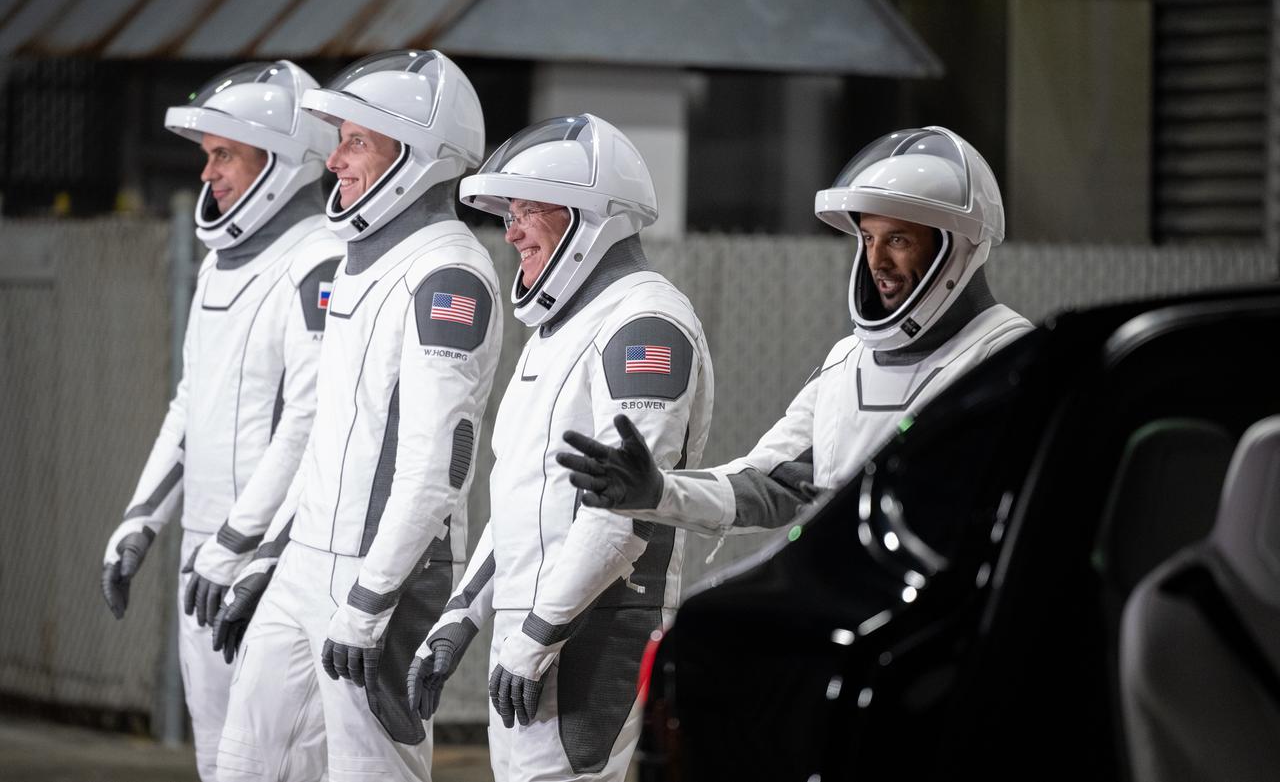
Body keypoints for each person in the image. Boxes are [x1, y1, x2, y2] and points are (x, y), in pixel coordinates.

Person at [209, 50, 502, 782]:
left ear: (419, 153)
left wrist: (372, 598)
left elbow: (439, 465)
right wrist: (275, 555)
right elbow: (328, 439)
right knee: (246, 763)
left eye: (355, 140)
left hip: (388, 572)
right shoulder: (355, 259)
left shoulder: (449, 272)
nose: (333, 158)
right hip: (308, 559)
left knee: (372, 772)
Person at [405, 114, 714, 782]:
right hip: (530, 633)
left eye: (526, 210)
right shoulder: (558, 331)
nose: (510, 231)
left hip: (594, 629)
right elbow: (521, 503)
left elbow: (624, 514)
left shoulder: (644, 323)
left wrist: (540, 634)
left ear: (588, 215)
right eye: (507, 212)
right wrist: (461, 615)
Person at [556, 125, 1032, 539]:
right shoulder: (848, 362)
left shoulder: (1013, 356)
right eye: (868, 238)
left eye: (899, 240)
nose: (877, 261)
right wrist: (659, 491)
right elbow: (770, 482)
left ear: (958, 249)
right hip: (843, 615)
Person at [99, 60, 342, 781]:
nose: (208, 175)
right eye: (207, 156)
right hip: (204, 560)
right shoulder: (216, 268)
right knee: (220, 765)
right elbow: (190, 402)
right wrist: (141, 520)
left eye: (224, 154)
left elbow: (314, 420)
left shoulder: (320, 264)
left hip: (274, 560)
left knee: (278, 765)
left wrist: (243, 544)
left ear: (284, 157)